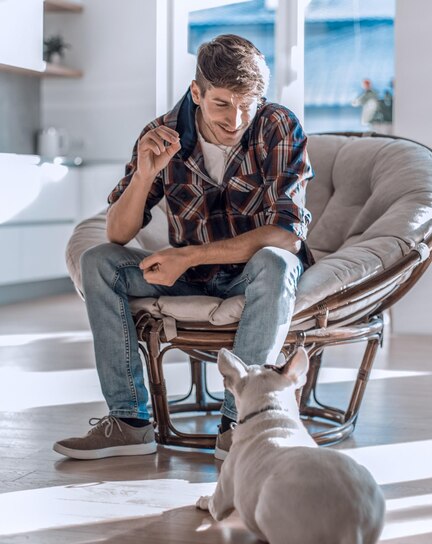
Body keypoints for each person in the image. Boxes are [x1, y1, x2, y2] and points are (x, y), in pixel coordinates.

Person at [53, 34, 314, 462]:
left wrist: (188, 256)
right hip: (190, 278)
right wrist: (143, 175)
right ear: (197, 92)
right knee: (99, 261)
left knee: (277, 262)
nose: (236, 119)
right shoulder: (162, 134)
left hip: (252, 274)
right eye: (222, 104)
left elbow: (286, 235)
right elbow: (117, 235)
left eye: (248, 104)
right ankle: (130, 423)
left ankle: (239, 426)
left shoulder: (278, 125)